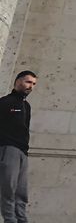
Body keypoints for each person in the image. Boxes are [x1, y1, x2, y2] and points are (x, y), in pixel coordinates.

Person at [0, 71, 36, 223]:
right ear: (18, 81)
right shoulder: (5, 102)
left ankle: (21, 220)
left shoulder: (26, 106)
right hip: (8, 148)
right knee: (8, 188)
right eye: (28, 82)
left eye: (34, 84)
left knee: (21, 192)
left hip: (23, 152)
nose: (31, 87)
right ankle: (10, 220)